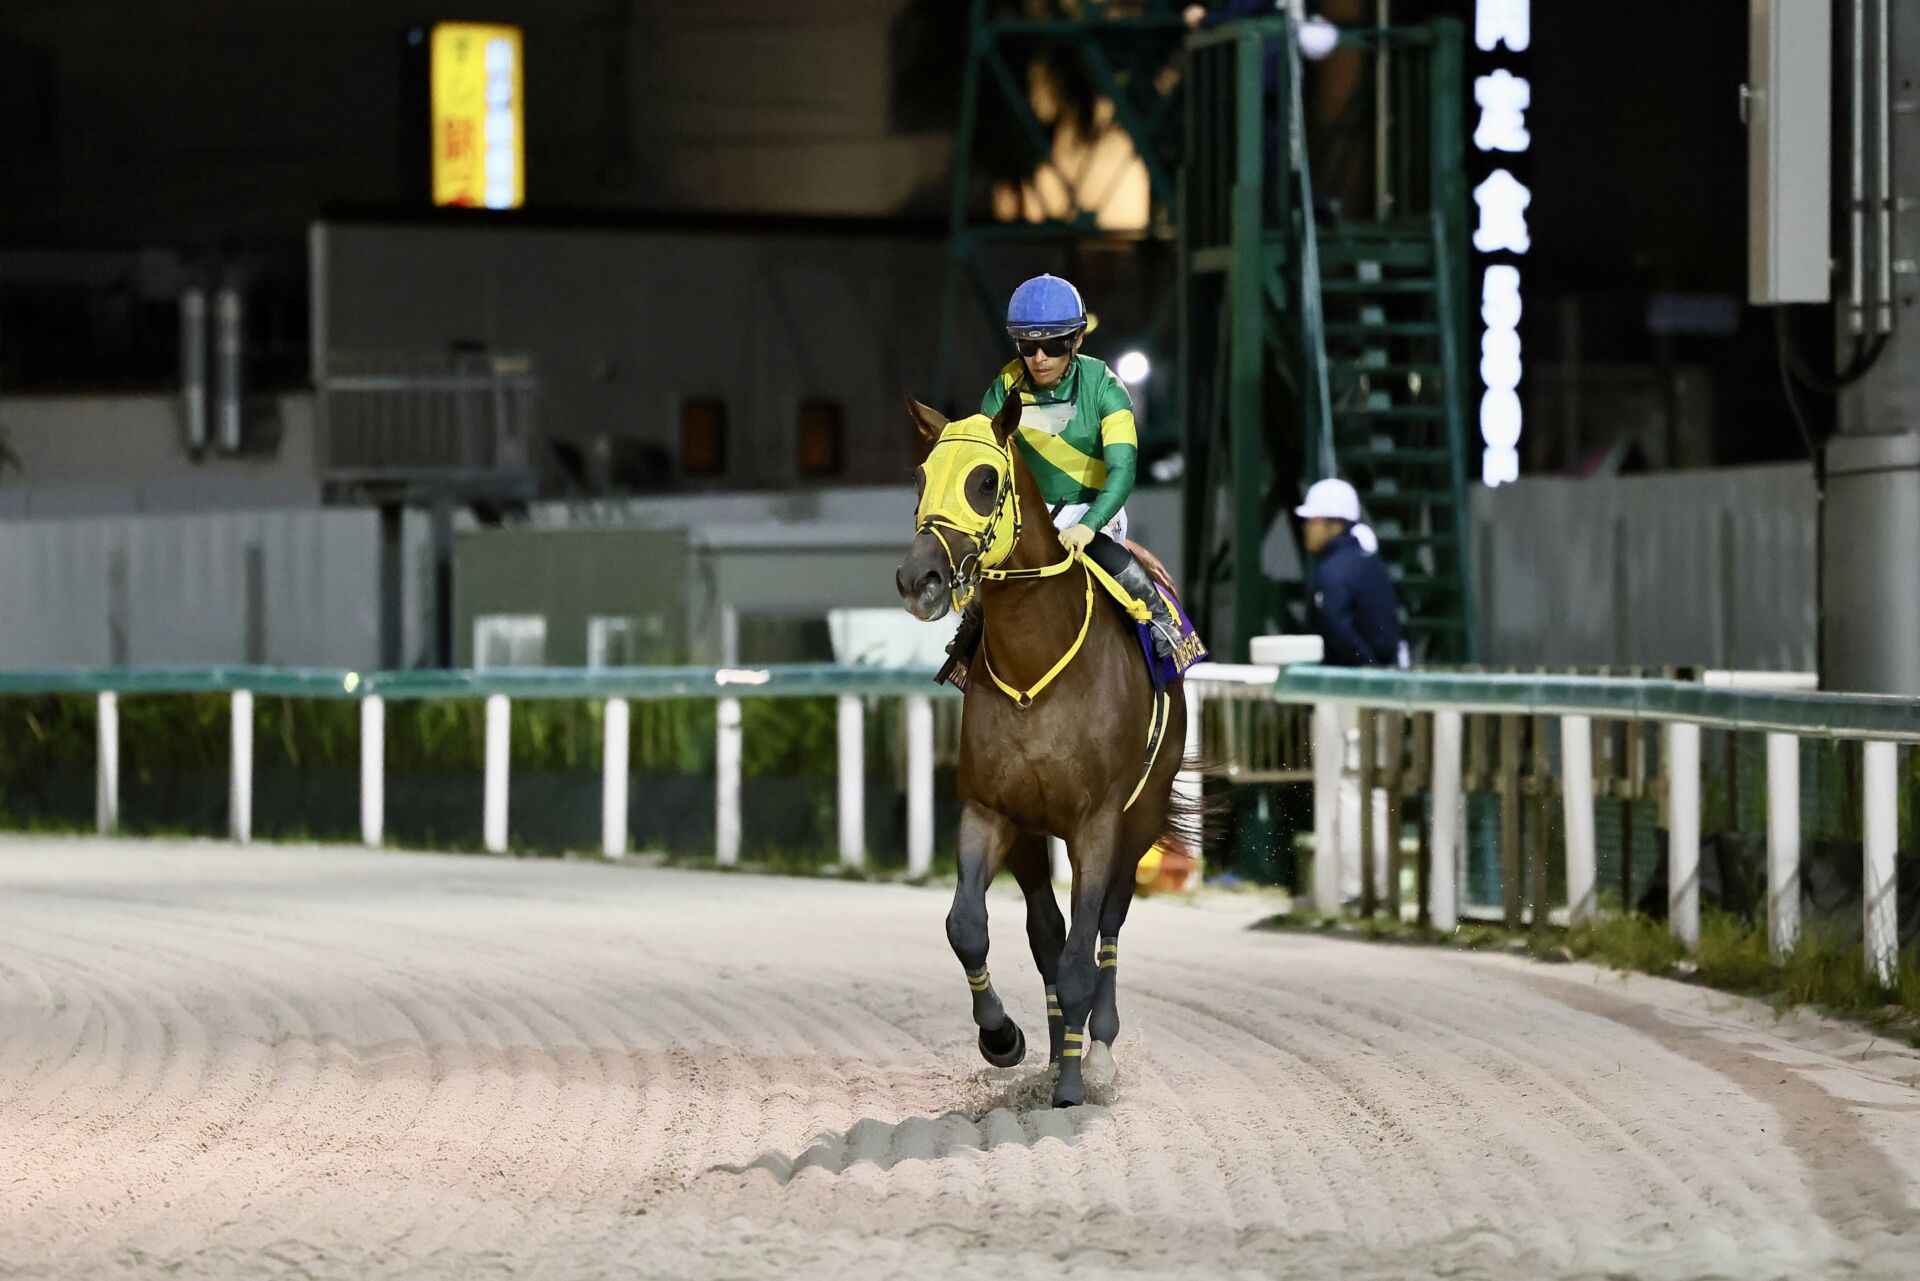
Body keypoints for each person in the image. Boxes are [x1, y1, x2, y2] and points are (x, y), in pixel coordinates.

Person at [946, 274, 1180, 672]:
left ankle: (1161, 619)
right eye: (1027, 345)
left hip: (1091, 510)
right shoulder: (1004, 386)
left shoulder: (1105, 387)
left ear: (1077, 340)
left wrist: (1090, 525)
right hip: (1026, 515)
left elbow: (1122, 472)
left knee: (1100, 552)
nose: (1039, 358)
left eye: (1053, 345)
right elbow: (982, 461)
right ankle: (969, 638)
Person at [1295, 478, 1403, 667]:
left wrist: (1368, 664)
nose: (1306, 528)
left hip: (1350, 681)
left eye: (1313, 521)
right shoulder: (1370, 561)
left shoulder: (1334, 569)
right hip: (1386, 670)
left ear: (1334, 524)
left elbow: (1337, 627)